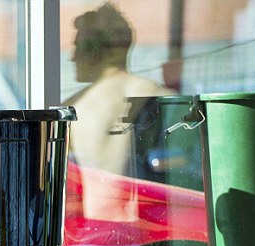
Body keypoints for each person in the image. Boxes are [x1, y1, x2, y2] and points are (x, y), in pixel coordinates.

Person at [65, 3, 175, 220]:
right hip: (156, 232)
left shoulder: (73, 110)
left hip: (100, 235)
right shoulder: (166, 97)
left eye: (78, 46)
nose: (72, 57)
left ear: (97, 50)